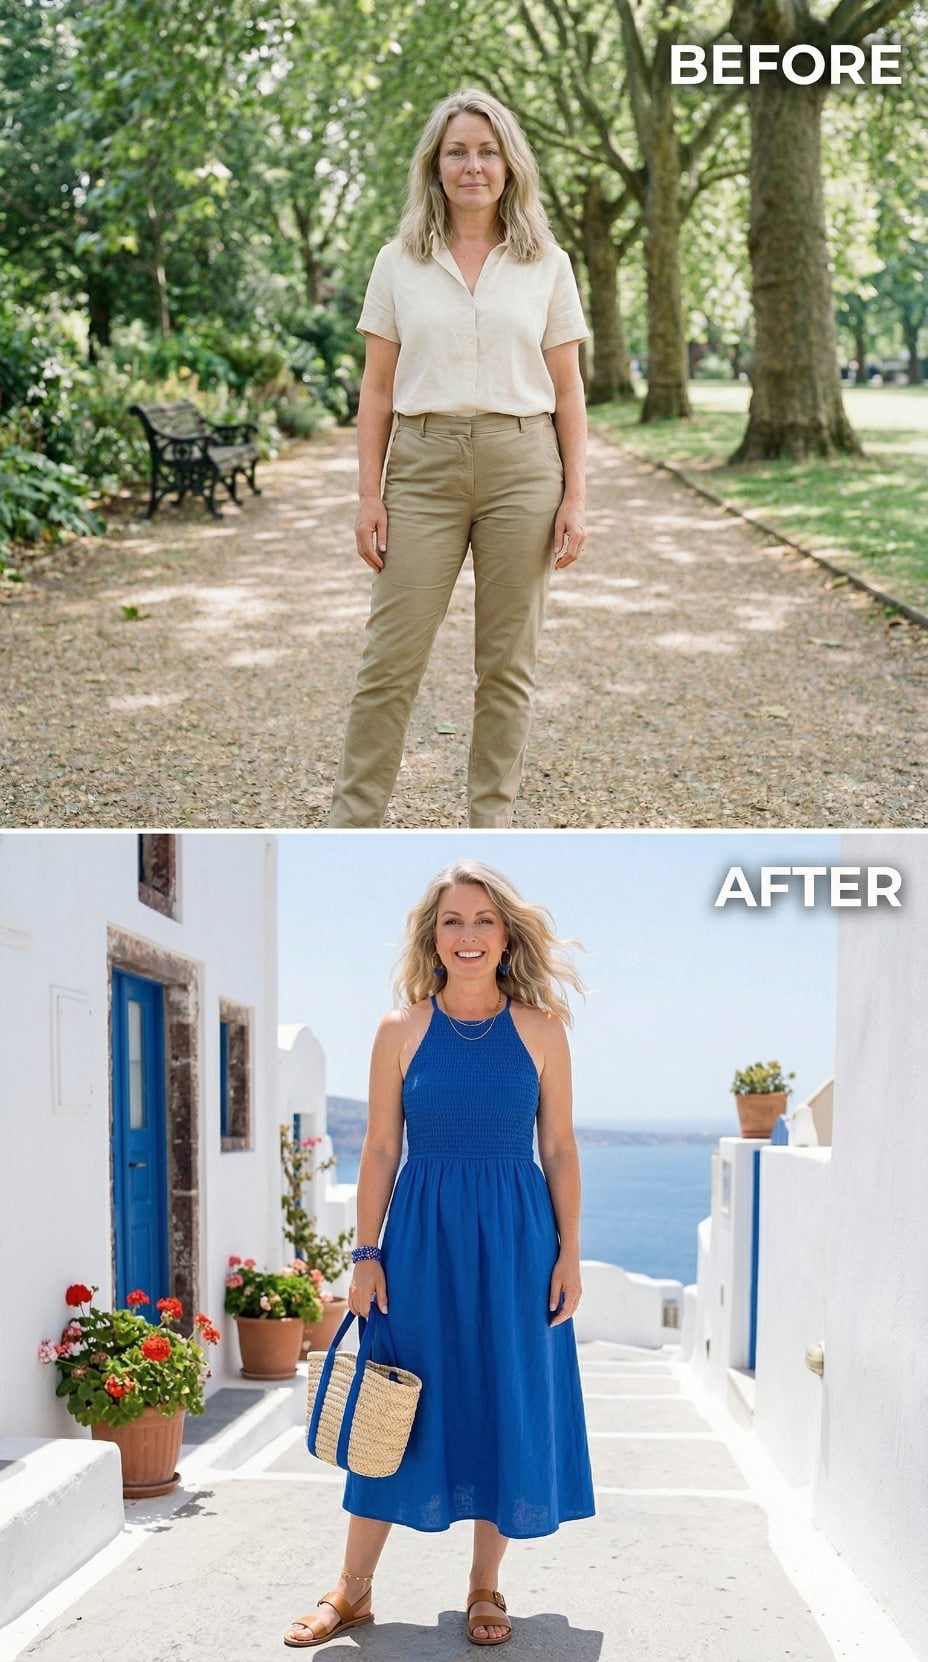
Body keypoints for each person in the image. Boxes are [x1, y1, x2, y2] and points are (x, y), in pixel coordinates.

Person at [284, 859, 595, 1648]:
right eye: (452, 921)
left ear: (505, 935)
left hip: (518, 1240)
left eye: (483, 920)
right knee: (390, 1402)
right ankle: (351, 1590)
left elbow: (557, 1148)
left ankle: (486, 1588)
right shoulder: (400, 1030)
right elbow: (382, 1148)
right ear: (432, 937)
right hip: (420, 1240)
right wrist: (365, 1252)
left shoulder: (541, 1029)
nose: (468, 935)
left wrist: (569, 1252)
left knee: (502, 1399)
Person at [327, 88, 590, 830]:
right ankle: (353, 826)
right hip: (423, 466)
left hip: (522, 464)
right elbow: (376, 390)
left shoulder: (547, 263)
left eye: (486, 150)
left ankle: (490, 827)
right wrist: (367, 495)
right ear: (434, 167)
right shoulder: (398, 262)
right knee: (388, 665)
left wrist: (576, 497)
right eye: (456, 152)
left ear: (509, 164)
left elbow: (568, 390)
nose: (472, 165)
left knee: (506, 669)